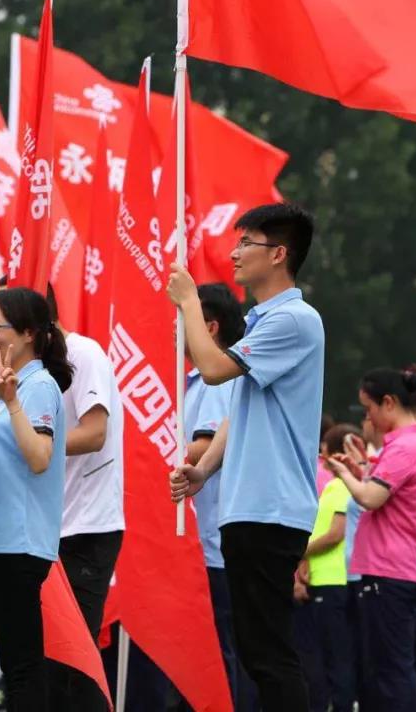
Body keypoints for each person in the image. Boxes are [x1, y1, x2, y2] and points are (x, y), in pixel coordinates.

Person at [168, 203, 323, 711]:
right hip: (248, 507)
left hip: (269, 507)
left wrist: (190, 302)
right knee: (259, 653)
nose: (233, 254)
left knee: (269, 654)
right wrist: (203, 470)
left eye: (246, 244)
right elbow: (237, 411)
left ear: (279, 254)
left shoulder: (295, 320)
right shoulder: (265, 323)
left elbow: (212, 370)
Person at [0, 286, 72, 711]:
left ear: (29, 333)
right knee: (17, 662)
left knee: (22, 667)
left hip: (20, 541)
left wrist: (13, 402)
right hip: (4, 541)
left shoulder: (36, 386)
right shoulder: (12, 389)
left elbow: (39, 457)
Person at [325, 367, 416, 712]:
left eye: (369, 408)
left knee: (390, 673)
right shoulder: (408, 444)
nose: (368, 418)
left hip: (391, 572)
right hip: (390, 570)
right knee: (383, 671)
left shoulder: (406, 446)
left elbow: (371, 498)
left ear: (389, 403)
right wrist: (361, 469)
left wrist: (342, 473)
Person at [51, 291, 125, 712]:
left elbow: (94, 432)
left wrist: (29, 445)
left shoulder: (83, 353)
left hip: (86, 529)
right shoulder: (28, 370)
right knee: (47, 667)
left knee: (74, 665)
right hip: (48, 528)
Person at [181, 283, 247, 709]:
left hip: (214, 547)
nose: (176, 330)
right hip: (199, 545)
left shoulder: (216, 379)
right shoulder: (195, 381)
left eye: (182, 318)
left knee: (220, 659)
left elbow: (204, 448)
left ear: (210, 326)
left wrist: (144, 454)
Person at [298, 423, 356, 712]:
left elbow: (336, 533)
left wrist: (299, 552)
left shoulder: (346, 486)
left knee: (337, 659)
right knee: (320, 657)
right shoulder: (334, 486)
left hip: (336, 581)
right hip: (322, 580)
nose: (321, 459)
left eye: (324, 453)